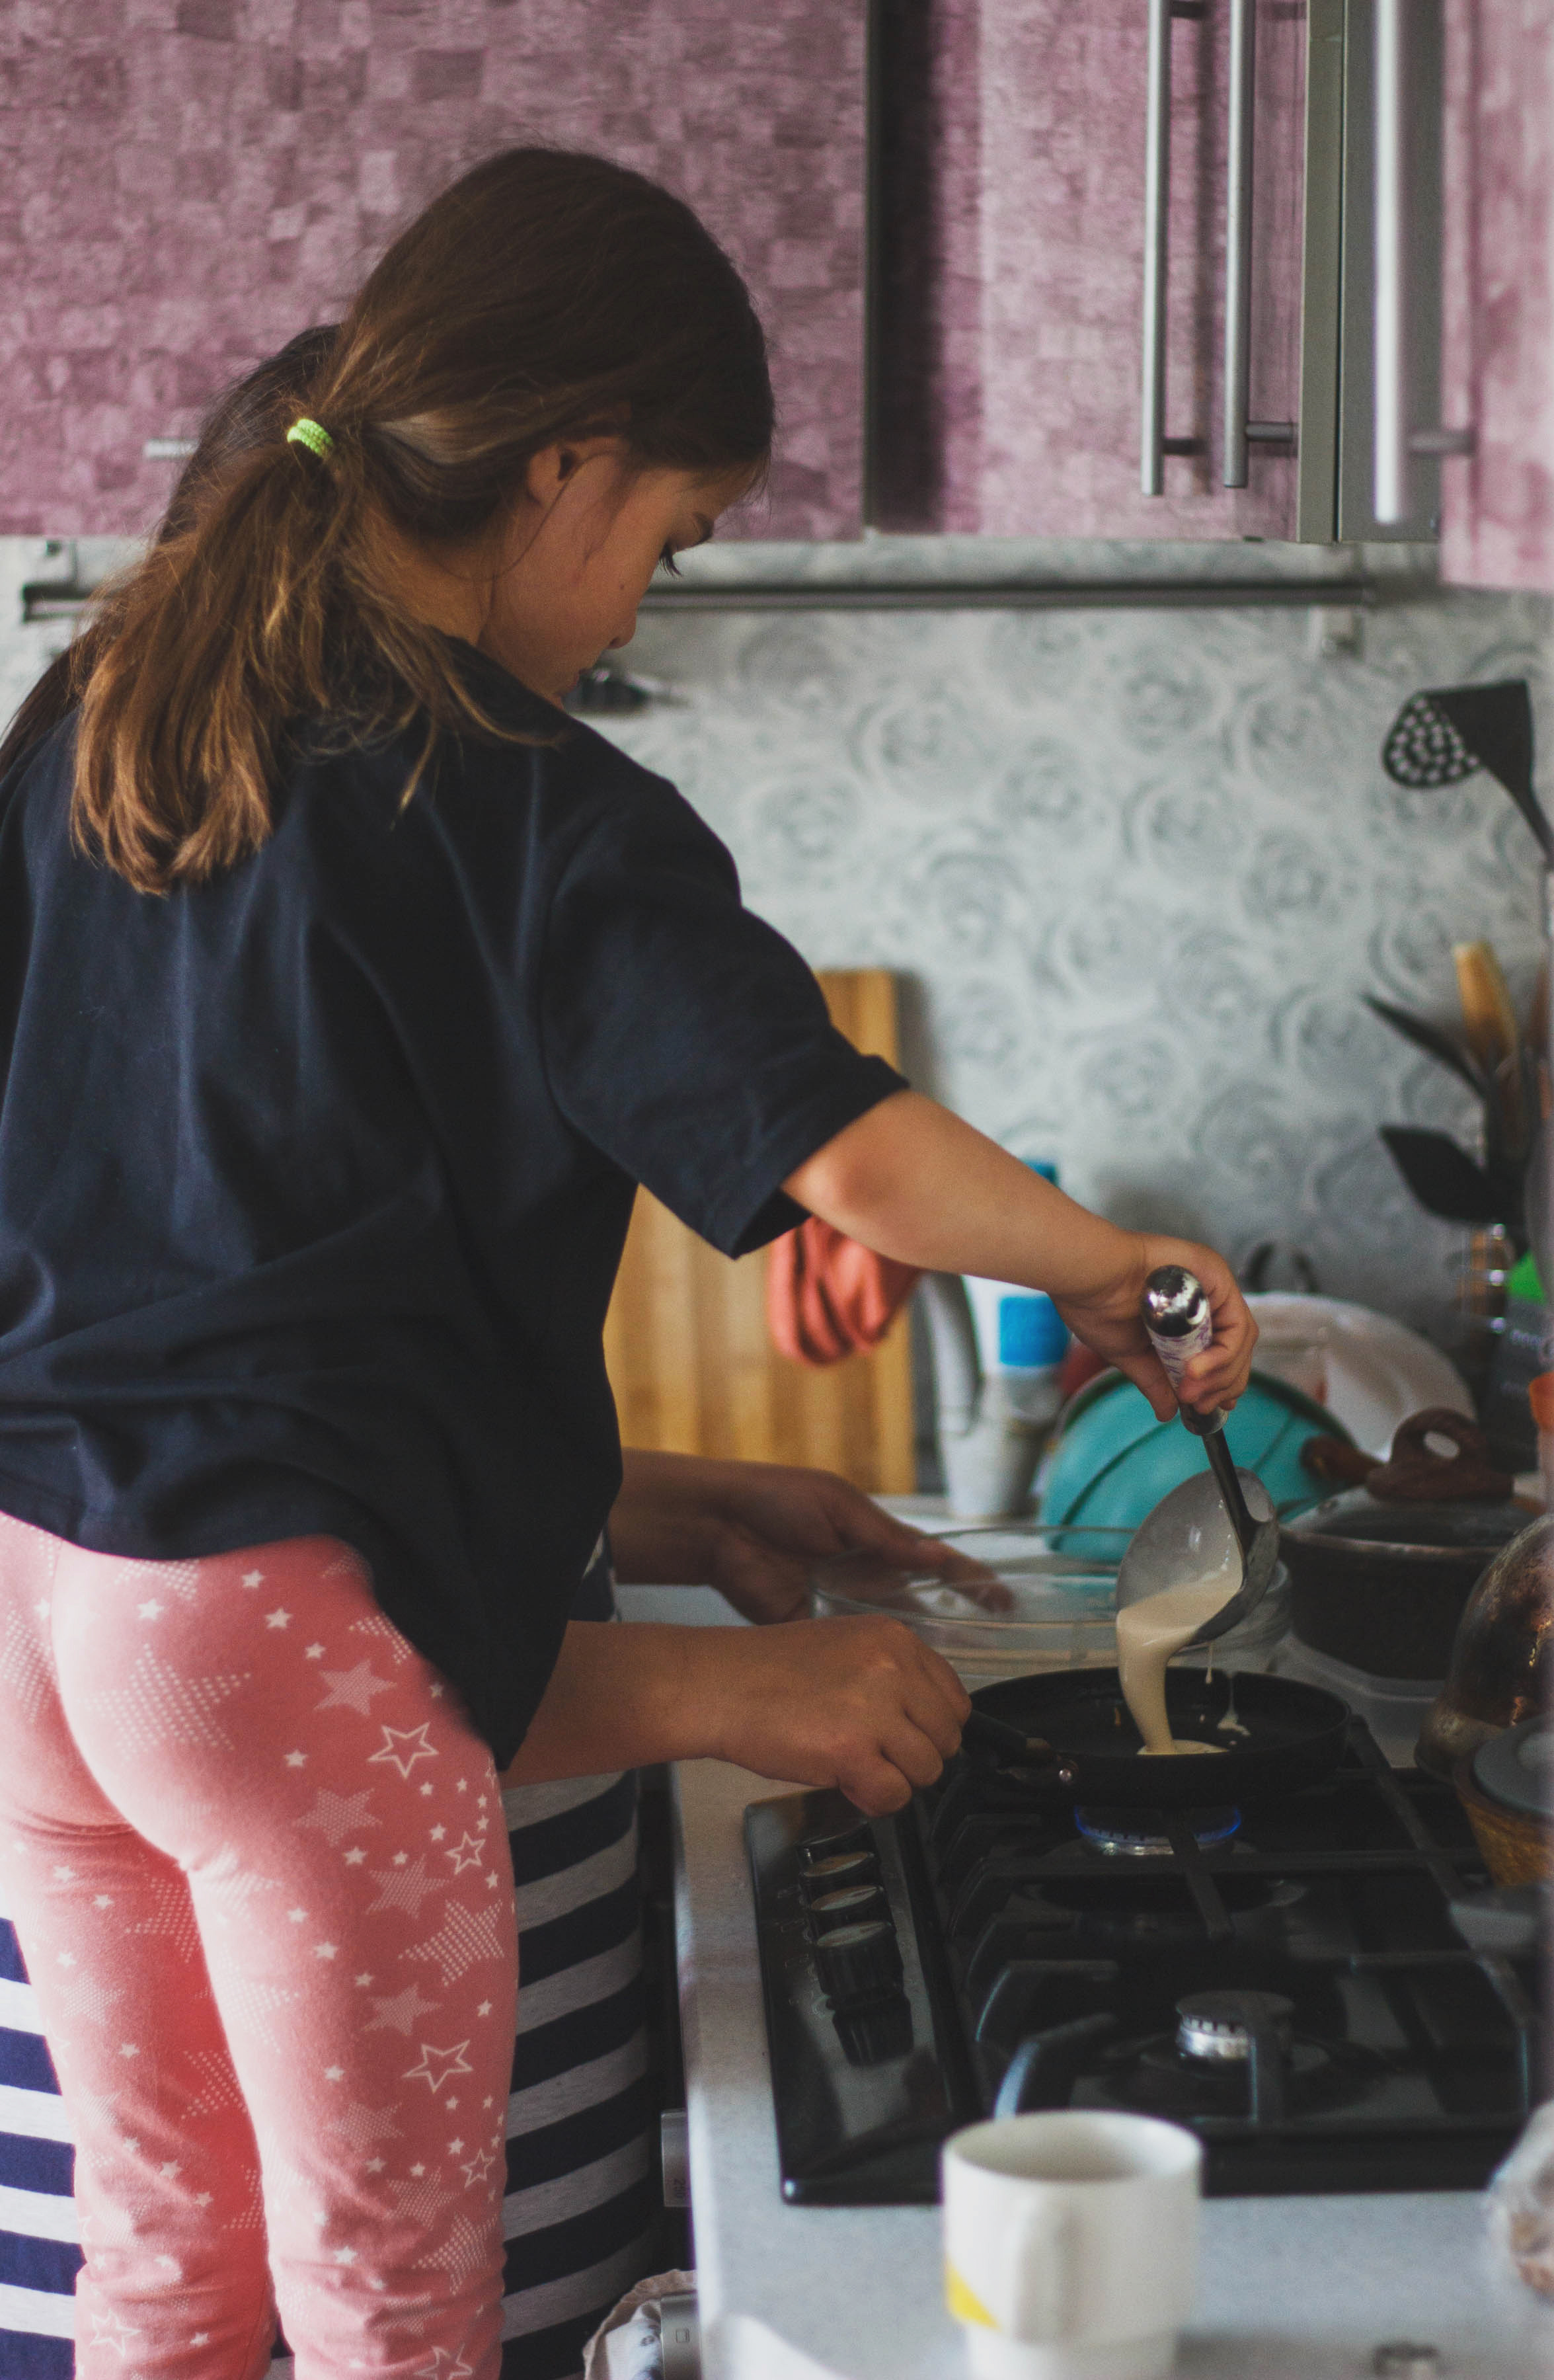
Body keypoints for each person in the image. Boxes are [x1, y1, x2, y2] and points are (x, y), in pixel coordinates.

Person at [0, 144, 1254, 2380]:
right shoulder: (524, 797)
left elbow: (229, 1297)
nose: (641, 611)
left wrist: (639, 1499)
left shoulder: (106, 719)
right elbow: (842, 1143)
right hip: (261, 1645)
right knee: (394, 2319)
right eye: (666, 540)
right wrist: (1109, 1259)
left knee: (166, 2287)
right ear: (565, 465)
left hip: (27, 1623)